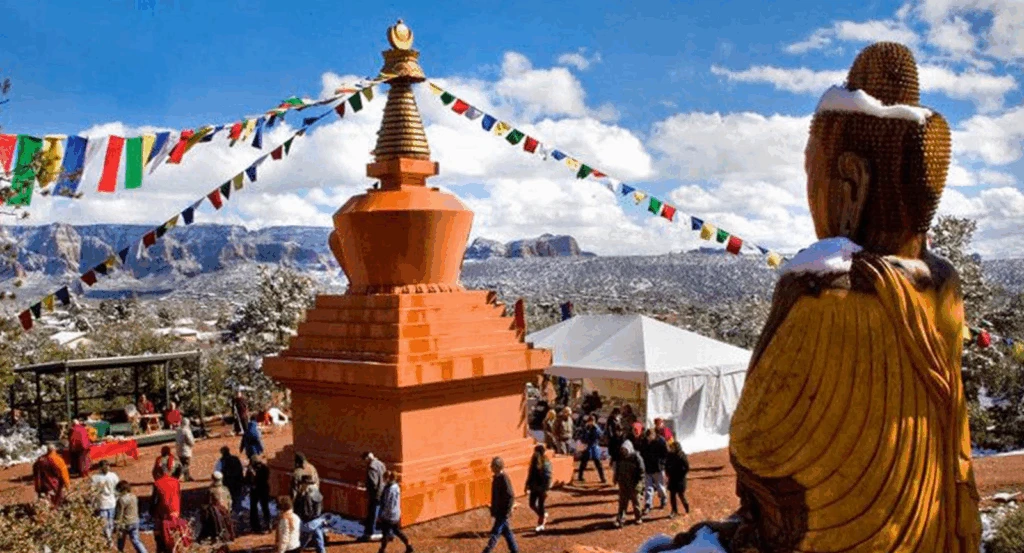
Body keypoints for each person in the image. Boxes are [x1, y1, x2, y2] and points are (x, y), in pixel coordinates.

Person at [727, 42, 982, 553]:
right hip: (931, 533)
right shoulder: (945, 287)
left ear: (850, 182)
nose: (810, 188)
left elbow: (756, 443)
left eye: (812, 171)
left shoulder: (824, 295)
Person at [482, 457, 518, 553]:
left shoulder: (503, 478)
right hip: (500, 511)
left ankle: (487, 551)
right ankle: (515, 550)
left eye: (492, 465)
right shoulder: (497, 478)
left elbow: (510, 495)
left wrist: (508, 509)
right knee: (507, 532)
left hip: (502, 512)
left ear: (497, 467)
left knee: (495, 532)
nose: (491, 467)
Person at [377, 470, 413, 553]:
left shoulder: (389, 490)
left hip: (389, 515)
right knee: (397, 531)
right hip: (396, 514)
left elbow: (387, 504)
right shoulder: (396, 487)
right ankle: (409, 545)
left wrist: (382, 515)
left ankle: (382, 550)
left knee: (385, 533)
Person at [197, 473, 235, 551]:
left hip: (215, 515)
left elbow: (206, 504)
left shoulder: (211, 490)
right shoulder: (225, 489)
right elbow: (230, 501)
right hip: (225, 513)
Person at [150, 465, 181, 553]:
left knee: (160, 535)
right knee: (173, 533)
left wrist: (152, 511)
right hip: (175, 511)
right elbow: (178, 495)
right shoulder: (176, 482)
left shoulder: (157, 483)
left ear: (160, 473)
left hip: (162, 513)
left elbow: (154, 499)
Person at [613, 441, 645, 528]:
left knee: (636, 502)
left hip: (634, 484)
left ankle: (638, 517)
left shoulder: (636, 457)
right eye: (622, 449)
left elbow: (641, 471)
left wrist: (640, 483)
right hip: (623, 483)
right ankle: (620, 520)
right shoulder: (620, 457)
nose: (623, 451)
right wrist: (615, 478)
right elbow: (617, 469)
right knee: (622, 503)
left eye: (625, 449)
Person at [358, 451, 386, 542]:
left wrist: (364, 486)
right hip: (382, 492)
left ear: (367, 458)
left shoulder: (371, 467)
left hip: (375, 495)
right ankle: (385, 532)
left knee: (372, 515)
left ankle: (369, 533)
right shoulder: (381, 464)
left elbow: (373, 483)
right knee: (381, 513)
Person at [639, 428, 668, 512]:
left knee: (660, 487)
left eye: (650, 437)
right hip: (648, 468)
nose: (648, 439)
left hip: (658, 469)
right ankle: (648, 504)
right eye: (647, 437)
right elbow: (642, 453)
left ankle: (663, 498)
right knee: (648, 487)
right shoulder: (644, 442)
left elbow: (666, 454)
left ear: (654, 435)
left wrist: (662, 464)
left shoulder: (661, 442)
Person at [114, 480, 148, 553]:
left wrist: (116, 525)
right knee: (136, 540)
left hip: (125, 524)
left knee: (121, 542)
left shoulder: (121, 500)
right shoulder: (134, 497)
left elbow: (119, 514)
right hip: (135, 521)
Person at [294, 474, 325, 553]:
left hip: (309, 521)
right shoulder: (316, 492)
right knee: (318, 538)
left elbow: (305, 511)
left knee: (304, 538)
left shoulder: (306, 495)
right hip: (317, 520)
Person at [525, 445, 552, 532]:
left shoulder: (546, 463)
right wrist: (527, 485)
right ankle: (543, 515)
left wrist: (546, 489)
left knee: (541, 505)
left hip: (542, 488)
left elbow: (548, 477)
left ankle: (541, 523)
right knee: (532, 504)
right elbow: (530, 474)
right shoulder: (534, 462)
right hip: (534, 487)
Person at [92, 460, 120, 542]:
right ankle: (109, 536)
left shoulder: (95, 478)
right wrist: (117, 497)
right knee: (110, 520)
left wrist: (92, 503)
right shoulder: (114, 476)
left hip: (102, 503)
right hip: (112, 502)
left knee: (104, 522)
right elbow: (118, 488)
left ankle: (108, 537)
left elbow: (92, 492)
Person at [246, 454, 272, 533]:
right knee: (265, 507)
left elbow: (248, 480)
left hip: (256, 490)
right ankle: (268, 525)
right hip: (264, 490)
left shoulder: (252, 470)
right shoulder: (265, 468)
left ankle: (255, 526)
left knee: (254, 508)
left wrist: (253, 475)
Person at [215, 446, 245, 513]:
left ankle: (230, 513)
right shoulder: (236, 458)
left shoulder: (221, 461)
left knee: (228, 498)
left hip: (227, 483)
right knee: (237, 497)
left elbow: (218, 472)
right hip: (237, 482)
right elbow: (241, 469)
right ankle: (237, 512)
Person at [576, 416, 606, 483]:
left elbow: (600, 436)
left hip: (594, 446)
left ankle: (602, 478)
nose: (591, 422)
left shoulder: (596, 428)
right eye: (590, 421)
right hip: (587, 447)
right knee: (584, 462)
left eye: (592, 421)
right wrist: (584, 441)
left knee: (598, 462)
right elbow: (582, 437)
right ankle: (580, 476)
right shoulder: (585, 428)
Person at [665, 441, 690, 517]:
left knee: (681, 495)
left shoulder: (682, 456)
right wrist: (667, 472)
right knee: (672, 495)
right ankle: (674, 511)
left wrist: (681, 474)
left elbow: (687, 467)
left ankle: (686, 505)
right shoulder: (669, 455)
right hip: (672, 478)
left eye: (672, 447)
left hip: (680, 479)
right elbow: (666, 464)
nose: (671, 449)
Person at [606, 408, 624, 475]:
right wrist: (611, 436)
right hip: (613, 439)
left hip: (618, 438)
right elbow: (609, 429)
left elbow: (620, 427)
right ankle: (613, 462)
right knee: (613, 452)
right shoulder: (610, 419)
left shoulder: (619, 419)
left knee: (617, 453)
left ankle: (613, 462)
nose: (618, 415)